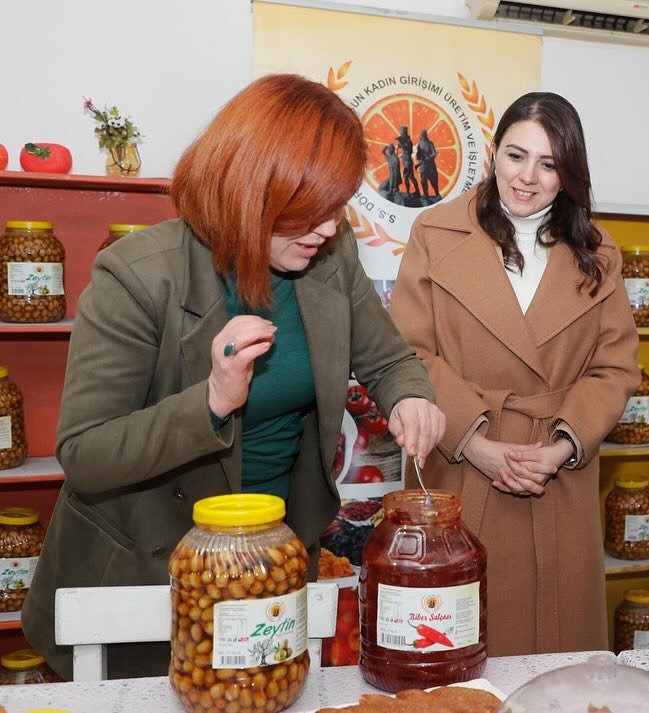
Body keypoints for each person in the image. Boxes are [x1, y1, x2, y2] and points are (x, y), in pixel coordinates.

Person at [21, 74, 446, 679]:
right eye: (310, 209)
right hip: (151, 565)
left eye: (337, 205)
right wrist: (213, 401)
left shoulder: (328, 251)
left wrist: (411, 398)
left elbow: (387, 358)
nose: (329, 227)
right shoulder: (137, 277)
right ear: (251, 192)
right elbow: (85, 452)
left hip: (271, 559)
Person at [389, 91, 640, 655]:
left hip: (556, 472)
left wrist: (557, 449)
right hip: (458, 465)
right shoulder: (435, 233)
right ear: (492, 153)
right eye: (516, 156)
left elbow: (615, 368)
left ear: (569, 173)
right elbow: (408, 353)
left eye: (549, 164)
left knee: (557, 664)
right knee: (450, 654)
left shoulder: (599, 255)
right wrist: (476, 443)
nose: (528, 177)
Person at [415, 128, 440, 198]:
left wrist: (430, 157)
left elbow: (433, 152)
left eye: (424, 134)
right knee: (423, 180)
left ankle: (437, 193)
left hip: (430, 165)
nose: (423, 135)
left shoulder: (430, 143)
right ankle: (426, 194)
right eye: (422, 134)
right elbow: (418, 154)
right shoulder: (419, 144)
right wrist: (418, 156)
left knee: (433, 181)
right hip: (423, 165)